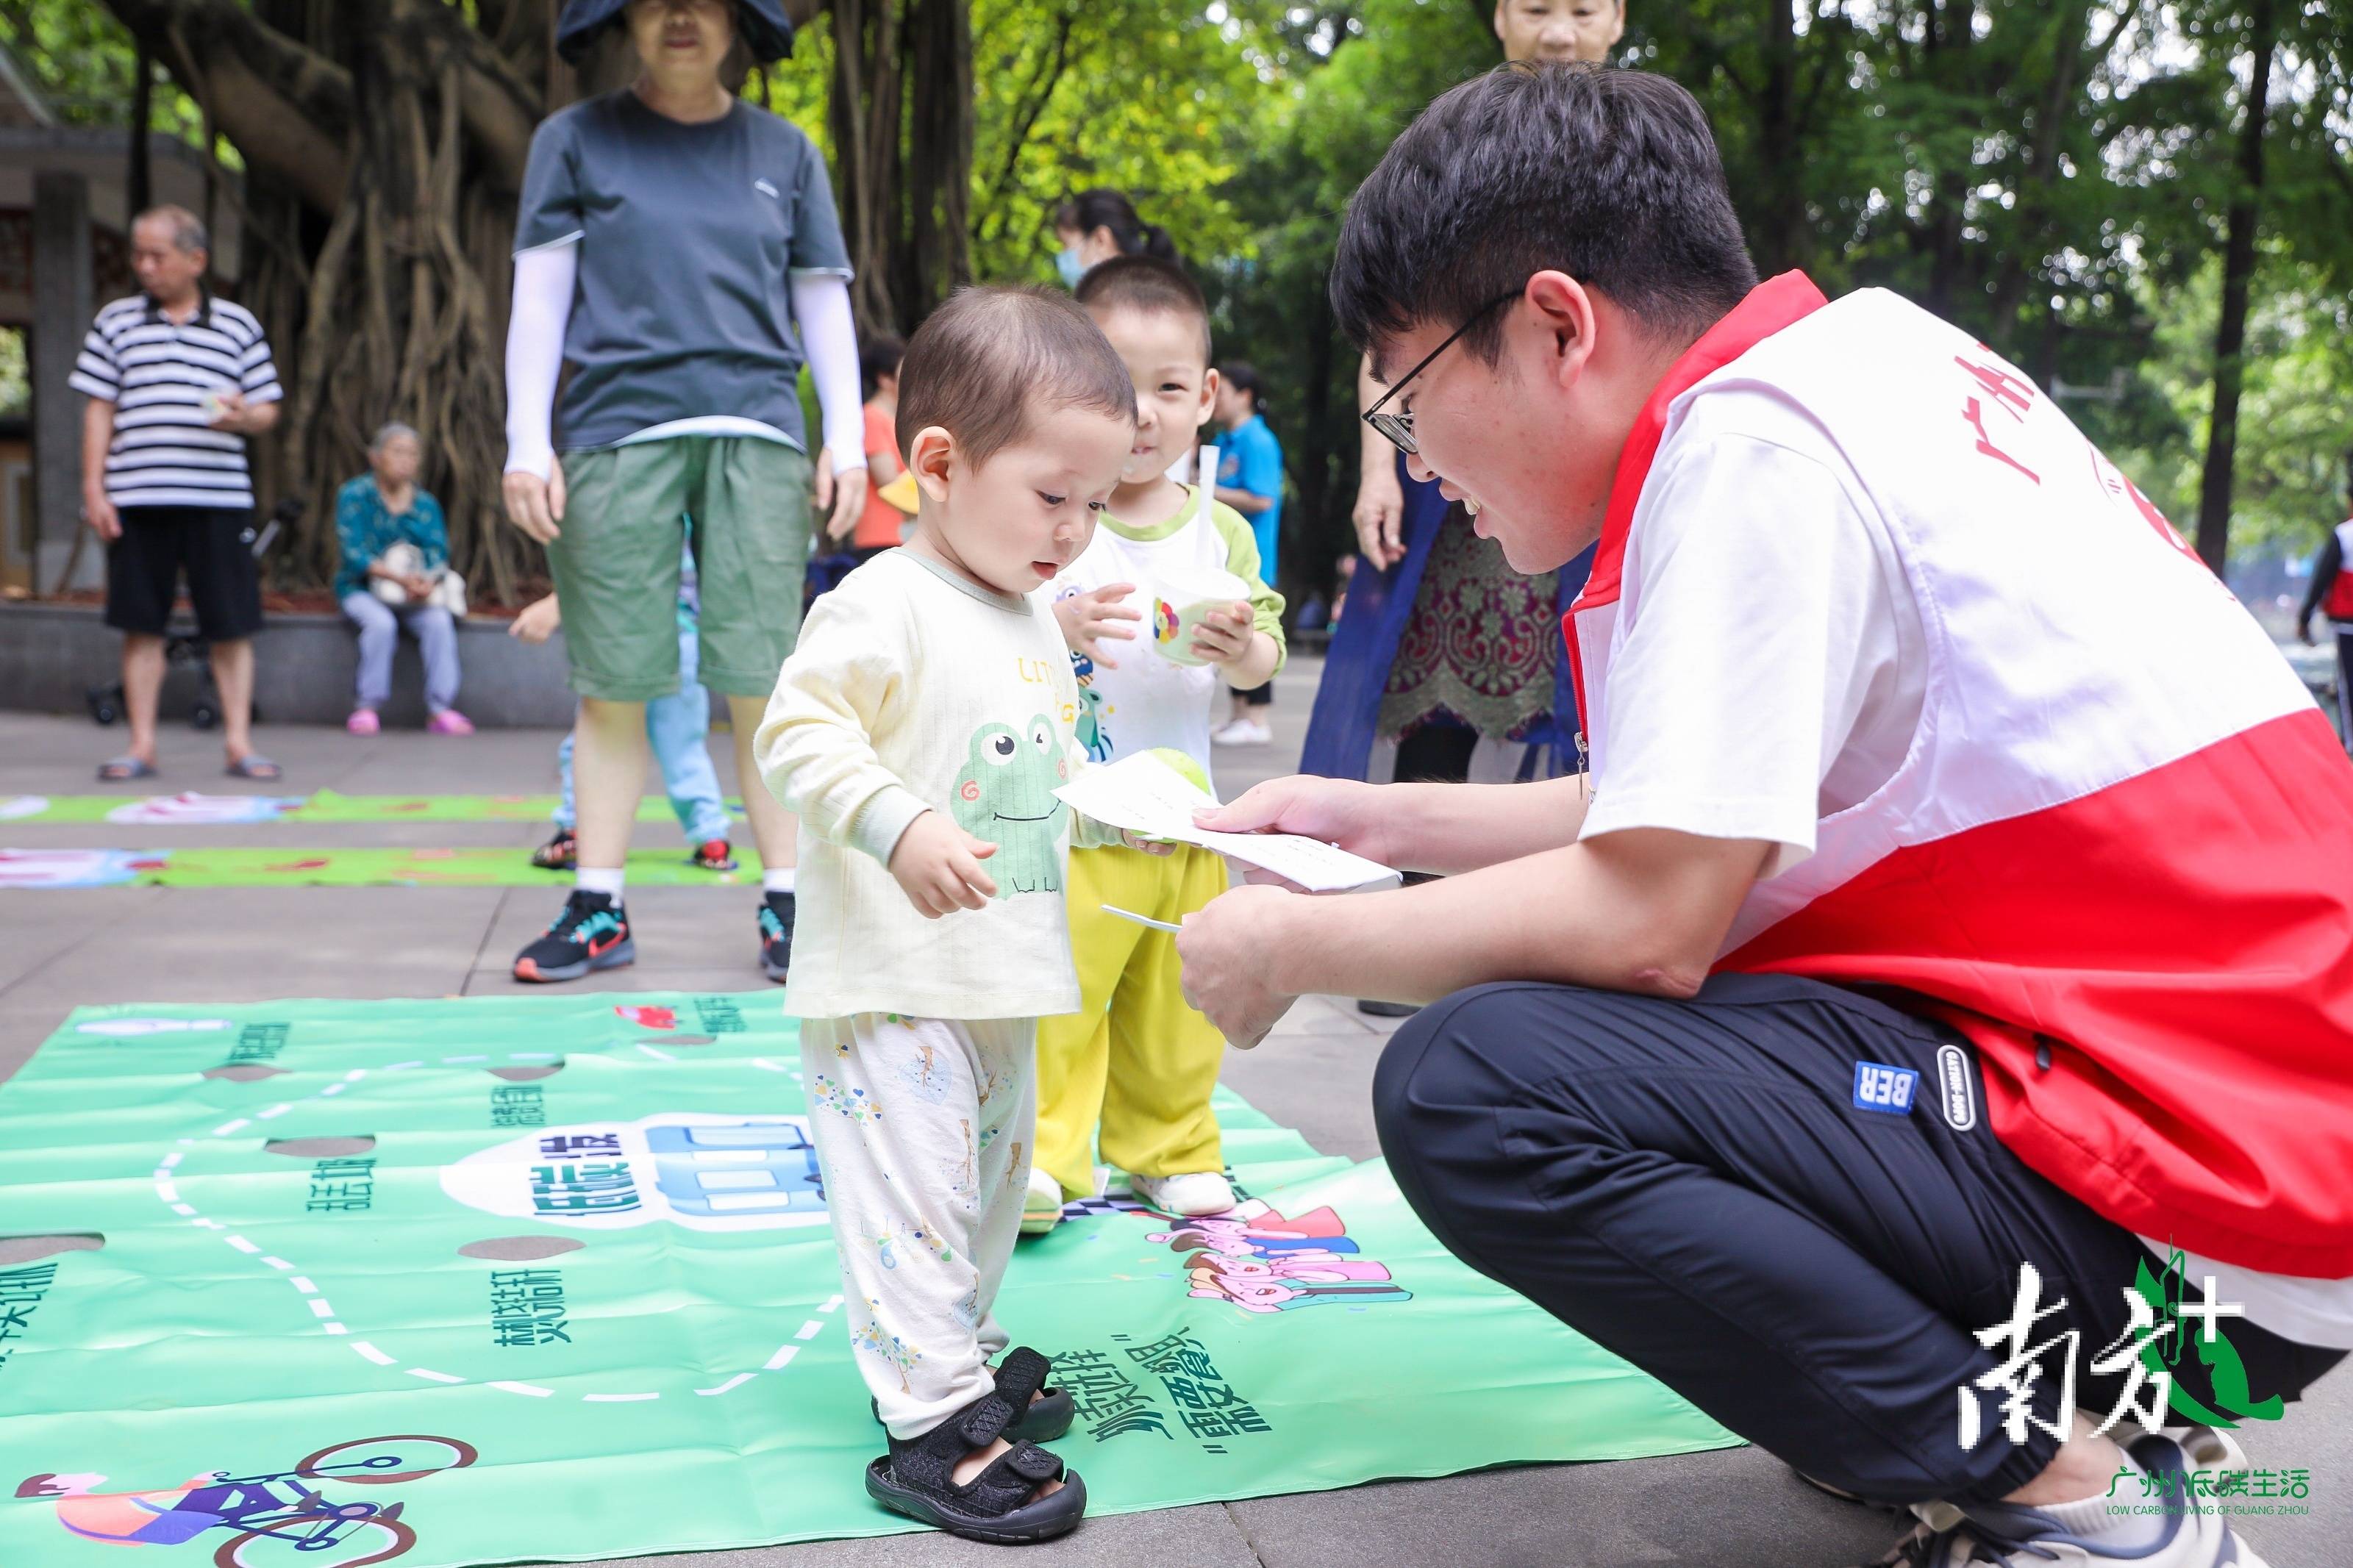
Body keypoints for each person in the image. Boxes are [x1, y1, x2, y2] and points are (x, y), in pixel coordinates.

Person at [1178, 65, 2352, 1568]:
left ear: (1555, 323)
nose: (1424, 465)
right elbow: (1692, 802)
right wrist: (1359, 814)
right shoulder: (1861, 370)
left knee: (1482, 1081)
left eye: (1409, 401)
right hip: (2249, 1216)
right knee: (1645, 994)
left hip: (2207, 1237)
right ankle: (2003, 1418)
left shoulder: (1751, 445)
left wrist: (1287, 940)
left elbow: (1651, 914)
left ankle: (2087, 1503)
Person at [754, 286, 1140, 1544]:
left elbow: (1021, 751)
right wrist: (898, 822)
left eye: (1095, 504)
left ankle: (963, 1347)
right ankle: (930, 1420)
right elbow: (797, 730)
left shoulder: (1024, 604)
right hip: (891, 980)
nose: (1076, 530)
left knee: (986, 1184)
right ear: (937, 462)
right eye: (1052, 497)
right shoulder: (880, 601)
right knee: (912, 1195)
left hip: (997, 970)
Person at [502, 0, 865, 985]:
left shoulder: (784, 150)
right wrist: (526, 443)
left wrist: (847, 438)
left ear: (740, 22)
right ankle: (598, 905)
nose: (680, 17)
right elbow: (541, 290)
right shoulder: (574, 140)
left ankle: (790, 905)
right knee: (615, 681)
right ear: (621, 17)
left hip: (756, 432)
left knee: (760, 678)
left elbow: (820, 294)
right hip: (616, 433)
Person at [1310, 0, 1626, 1015]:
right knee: (1436, 701)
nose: (1563, 32)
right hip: (1456, 479)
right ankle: (1407, 944)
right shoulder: (1454, 148)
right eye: (1540, 6)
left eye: (1585, 7)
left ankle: (1560, 947)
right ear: (1500, 18)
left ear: (1618, 17)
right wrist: (1375, 472)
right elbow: (1387, 341)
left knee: (1589, 723)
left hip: (1589, 482)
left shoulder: (1641, 155)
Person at [1031, 259, 1285, 1234]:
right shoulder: (1054, 519)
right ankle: (1046, 1153)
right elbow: (992, 629)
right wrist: (1056, 623)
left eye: (1170, 389)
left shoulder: (1218, 531)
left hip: (1189, 821)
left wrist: (1245, 646)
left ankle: (1170, 1148)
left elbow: (1259, 659)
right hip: (1079, 812)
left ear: (1208, 398)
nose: (1143, 414)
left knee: (1177, 1004)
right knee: (1064, 997)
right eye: (1116, 385)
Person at [72, 204, 284, 783]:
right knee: (141, 623)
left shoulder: (237, 324)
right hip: (138, 496)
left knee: (232, 624)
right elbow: (100, 408)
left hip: (218, 498)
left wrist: (245, 416)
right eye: (138, 254)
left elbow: (268, 407)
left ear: (196, 260)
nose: (144, 265)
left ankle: (240, 744)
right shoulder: (115, 322)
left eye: (157, 255)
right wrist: (95, 488)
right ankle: (141, 746)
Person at [510, 544, 736, 874]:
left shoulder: (638, 503)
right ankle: (712, 838)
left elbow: (622, 565)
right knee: (684, 748)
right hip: (685, 638)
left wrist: (555, 604)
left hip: (628, 637)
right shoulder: (695, 507)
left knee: (596, 740)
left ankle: (576, 829)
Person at [335, 423, 471, 737]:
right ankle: (367, 707)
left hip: (414, 595)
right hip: (362, 589)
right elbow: (353, 553)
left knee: (438, 621)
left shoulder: (425, 504)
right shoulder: (355, 495)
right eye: (398, 452)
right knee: (381, 624)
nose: (406, 460)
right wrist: (396, 578)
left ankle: (441, 709)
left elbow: (438, 552)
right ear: (375, 457)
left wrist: (427, 582)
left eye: (412, 454)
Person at [1210, 360, 1285, 747]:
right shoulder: (1224, 440)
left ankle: (1257, 720)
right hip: (1223, 557)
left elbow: (1263, 497)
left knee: (1256, 628)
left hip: (1253, 555)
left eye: (1220, 392)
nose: (1214, 400)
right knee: (1227, 630)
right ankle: (1238, 716)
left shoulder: (1258, 440)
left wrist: (1205, 491)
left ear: (1245, 396)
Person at [837, 334, 909, 563]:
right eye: (905, 370)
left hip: (905, 536)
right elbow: (887, 480)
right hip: (881, 537)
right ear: (885, 379)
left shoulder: (900, 421)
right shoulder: (871, 418)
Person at [2293, 479, 2353, 752]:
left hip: (2347, 622)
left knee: (2349, 683)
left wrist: (2305, 617)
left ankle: (2351, 744)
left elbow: (2322, 579)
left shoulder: (2344, 535)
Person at [1051, 188, 1179, 286]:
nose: (1063, 254)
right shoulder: (1154, 293)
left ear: (1101, 239)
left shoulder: (1112, 311)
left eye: (1065, 244)